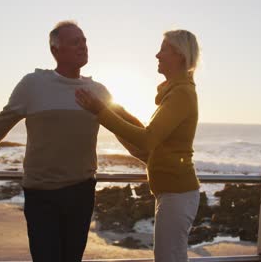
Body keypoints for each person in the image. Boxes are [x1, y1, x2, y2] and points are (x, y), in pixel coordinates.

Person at [0, 20, 112, 262]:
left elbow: (126, 128)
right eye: (75, 42)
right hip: (41, 195)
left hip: (81, 193)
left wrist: (152, 159)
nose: (83, 46)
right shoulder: (33, 85)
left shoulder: (98, 91)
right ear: (55, 50)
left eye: (84, 41)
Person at [75, 29, 201, 262]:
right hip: (172, 192)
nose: (157, 55)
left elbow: (146, 140)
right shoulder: (175, 93)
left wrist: (101, 112)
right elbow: (148, 143)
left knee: (168, 258)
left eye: (164, 49)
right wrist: (114, 110)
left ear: (180, 55)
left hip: (177, 193)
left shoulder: (181, 94)